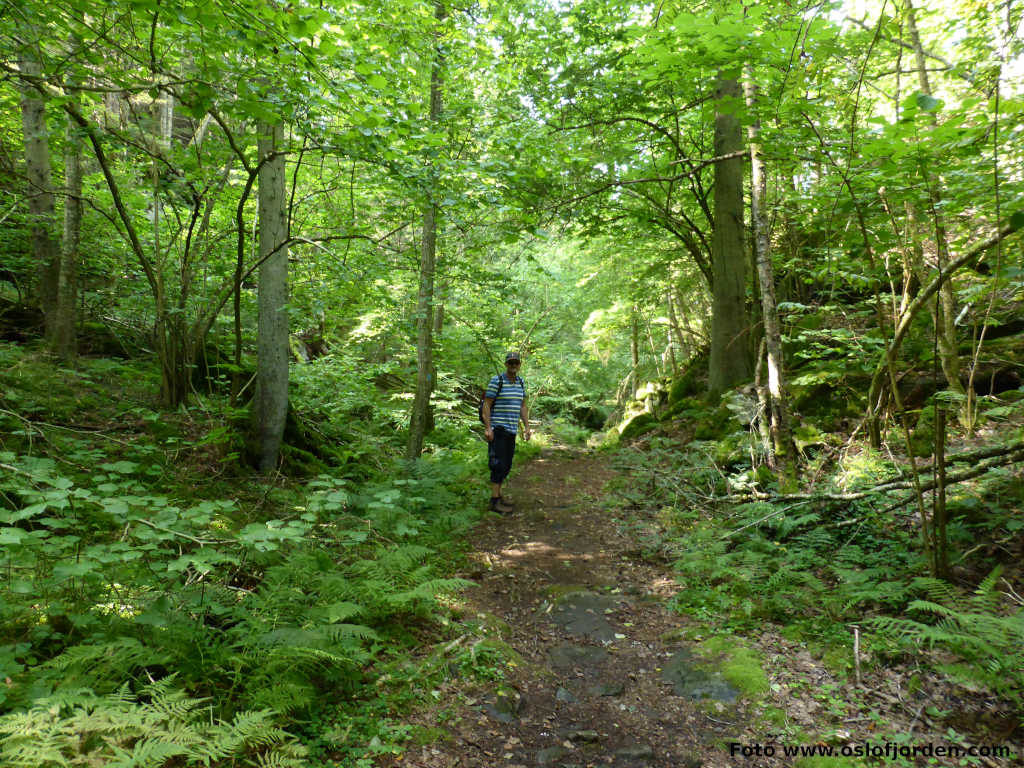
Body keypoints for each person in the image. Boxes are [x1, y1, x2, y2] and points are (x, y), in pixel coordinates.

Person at [482, 351, 531, 513]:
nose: (513, 366)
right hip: (498, 429)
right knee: (497, 464)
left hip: (511, 430)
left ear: (519, 365)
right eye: (510, 363)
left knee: (507, 465)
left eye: (516, 363)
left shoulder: (521, 383)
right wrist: (488, 428)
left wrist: (527, 427)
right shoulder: (497, 381)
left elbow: (522, 406)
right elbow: (487, 405)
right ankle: (494, 502)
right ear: (506, 364)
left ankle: (499, 496)